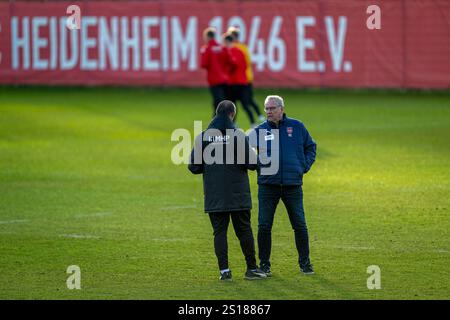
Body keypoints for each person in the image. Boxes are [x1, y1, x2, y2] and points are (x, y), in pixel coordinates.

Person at [188, 100, 267, 281]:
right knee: (244, 231)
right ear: (232, 114)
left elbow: (193, 167)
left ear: (216, 114)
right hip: (238, 194)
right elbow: (252, 164)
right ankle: (251, 269)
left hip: (215, 194)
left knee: (219, 232)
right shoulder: (238, 136)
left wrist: (210, 168)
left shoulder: (203, 137)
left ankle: (224, 272)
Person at [249, 95, 317, 276]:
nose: (269, 112)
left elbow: (311, 147)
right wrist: (258, 166)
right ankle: (264, 265)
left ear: (282, 109)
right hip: (267, 186)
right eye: (266, 109)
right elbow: (244, 151)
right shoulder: (259, 131)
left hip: (292, 185)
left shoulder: (297, 127)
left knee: (300, 225)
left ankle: (305, 263)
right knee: (264, 226)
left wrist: (303, 166)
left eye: (272, 108)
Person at [227, 27, 264, 124]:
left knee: (243, 102)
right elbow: (248, 62)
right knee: (247, 101)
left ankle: (256, 118)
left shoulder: (235, 48)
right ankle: (258, 117)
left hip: (240, 80)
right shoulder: (243, 47)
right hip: (245, 79)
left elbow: (238, 64)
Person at [222, 33, 257, 128]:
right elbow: (246, 65)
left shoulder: (229, 51)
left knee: (232, 105)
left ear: (227, 41)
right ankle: (253, 123)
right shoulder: (240, 51)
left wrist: (227, 71)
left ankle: (233, 124)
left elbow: (232, 65)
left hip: (233, 82)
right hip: (242, 82)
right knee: (245, 105)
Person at [200, 27, 235, 117]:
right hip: (225, 79)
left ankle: (218, 122)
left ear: (207, 36)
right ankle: (227, 121)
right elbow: (231, 62)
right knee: (225, 101)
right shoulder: (222, 48)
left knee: (218, 102)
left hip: (214, 79)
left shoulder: (207, 48)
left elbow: (203, 64)